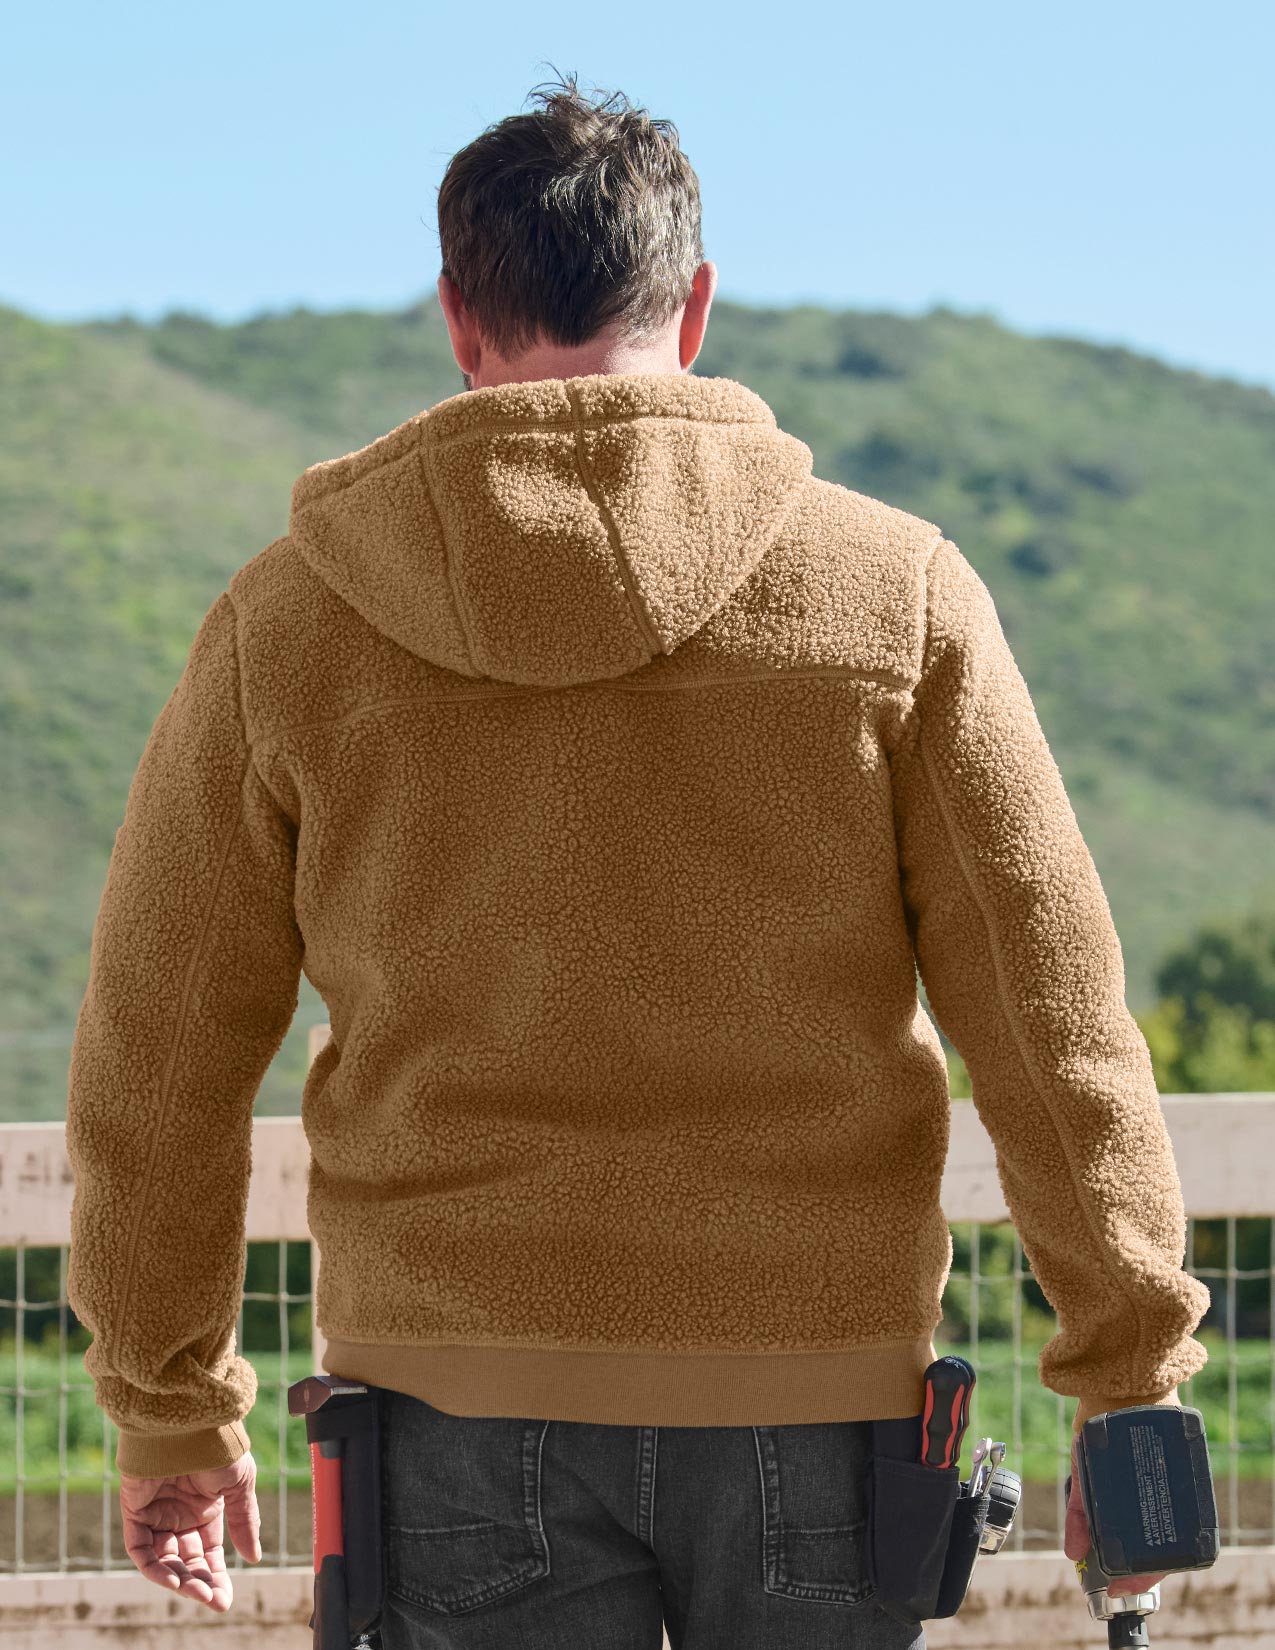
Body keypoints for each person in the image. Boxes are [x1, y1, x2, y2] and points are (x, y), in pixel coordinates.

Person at [64, 68, 1209, 1648]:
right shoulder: (898, 594)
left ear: (460, 317)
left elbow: (158, 1052)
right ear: (700, 300)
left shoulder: (290, 625)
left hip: (442, 1406)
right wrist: (1128, 1376)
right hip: (826, 1408)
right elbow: (1054, 1021)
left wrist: (170, 1411)